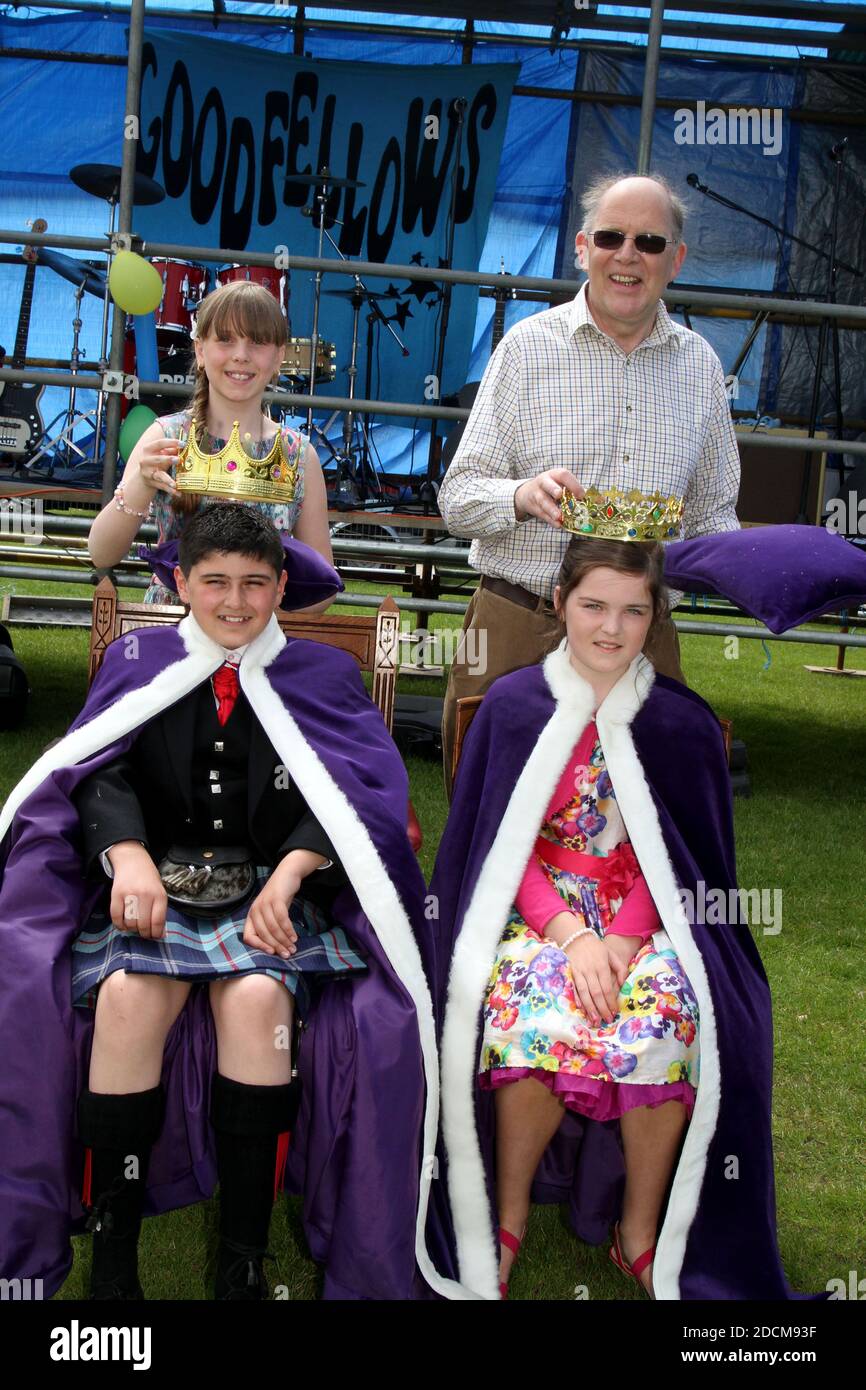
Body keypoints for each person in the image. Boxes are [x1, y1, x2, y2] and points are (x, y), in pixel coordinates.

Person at [0, 506, 451, 1302]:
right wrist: (125, 853)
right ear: (181, 582)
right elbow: (97, 771)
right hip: (154, 890)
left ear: (283, 586)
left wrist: (292, 874)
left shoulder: (321, 676)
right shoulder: (137, 661)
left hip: (269, 894)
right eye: (214, 582)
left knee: (255, 1002)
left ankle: (241, 1262)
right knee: (128, 1000)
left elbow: (357, 794)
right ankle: (114, 1260)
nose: (235, 602)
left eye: (254, 583)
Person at [429, 532, 815, 1302]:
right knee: (533, 1009)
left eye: (633, 611)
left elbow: (687, 856)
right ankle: (503, 1223)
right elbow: (499, 851)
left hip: (649, 919)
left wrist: (626, 938)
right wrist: (571, 938)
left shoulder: (682, 723)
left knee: (668, 1013)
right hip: (538, 918)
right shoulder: (511, 708)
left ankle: (639, 1231)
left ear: (654, 616)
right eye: (593, 605)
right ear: (561, 604)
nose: (611, 628)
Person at [437, 172, 741, 790]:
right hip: (517, 624)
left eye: (650, 243)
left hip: (641, 635)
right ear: (582, 247)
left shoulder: (702, 368)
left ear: (675, 260)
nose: (628, 256)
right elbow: (458, 498)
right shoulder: (525, 350)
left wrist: (745, 564)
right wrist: (520, 496)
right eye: (611, 237)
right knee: (489, 822)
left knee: (641, 836)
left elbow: (715, 518)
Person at [88, 278, 334, 611]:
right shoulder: (165, 437)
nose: (241, 355)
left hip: (258, 636)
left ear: (279, 358)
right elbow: (102, 553)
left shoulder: (299, 456)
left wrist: (260, 607)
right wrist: (139, 485)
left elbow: (323, 589)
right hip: (172, 631)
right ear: (200, 351)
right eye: (226, 340)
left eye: (258, 342)